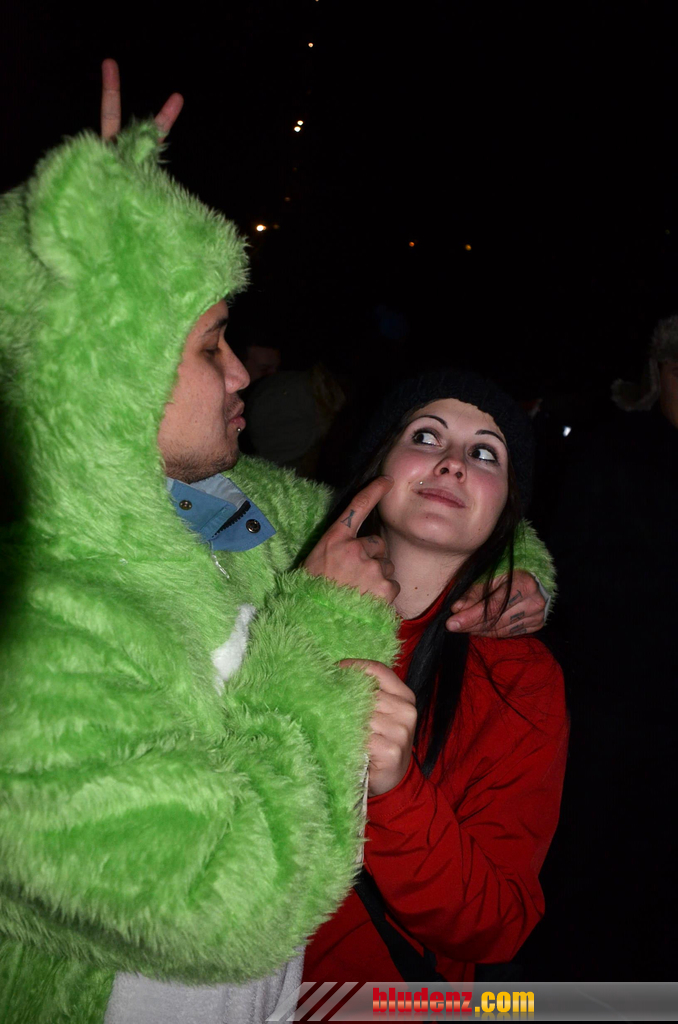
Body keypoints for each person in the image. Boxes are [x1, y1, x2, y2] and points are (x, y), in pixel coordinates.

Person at [0, 68, 552, 1024]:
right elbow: (226, 903)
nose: (244, 372)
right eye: (212, 344)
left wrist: (518, 568)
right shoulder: (33, 612)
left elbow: (495, 926)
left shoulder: (216, 507)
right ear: (119, 362)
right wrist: (325, 635)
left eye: (486, 453)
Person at [302, 369, 569, 984]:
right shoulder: (272, 587)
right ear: (378, 462)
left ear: (507, 505)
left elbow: (498, 924)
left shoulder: (520, 679)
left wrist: (395, 792)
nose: (452, 463)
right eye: (426, 437)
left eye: (485, 454)